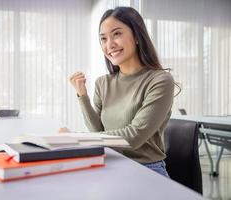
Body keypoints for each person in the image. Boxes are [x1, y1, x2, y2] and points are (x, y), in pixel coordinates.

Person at [63, 7, 177, 177]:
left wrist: (76, 139)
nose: (110, 45)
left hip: (146, 170)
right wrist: (82, 96)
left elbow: (134, 136)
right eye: (103, 39)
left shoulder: (160, 80)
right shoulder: (103, 82)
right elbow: (97, 132)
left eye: (117, 34)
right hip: (109, 163)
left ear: (137, 36)